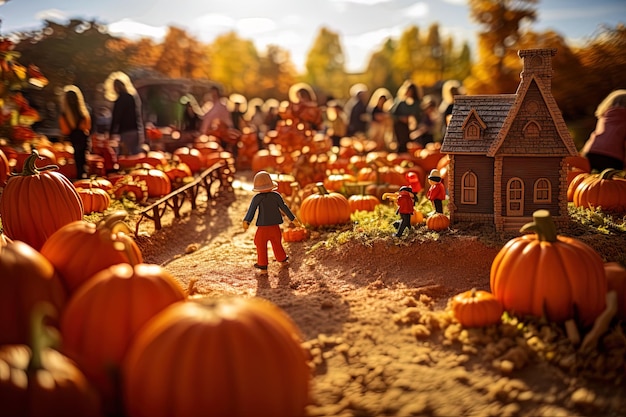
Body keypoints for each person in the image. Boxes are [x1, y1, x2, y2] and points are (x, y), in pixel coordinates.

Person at [243, 171, 300, 272]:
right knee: (276, 243)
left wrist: (247, 221)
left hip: (263, 227)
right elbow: (284, 207)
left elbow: (252, 210)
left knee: (260, 243)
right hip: (275, 226)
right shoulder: (276, 196)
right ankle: (283, 260)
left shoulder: (257, 198)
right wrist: (293, 218)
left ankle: (263, 265)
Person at [581, 89, 626, 172]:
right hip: (614, 157)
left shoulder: (604, 115)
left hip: (592, 151)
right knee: (611, 182)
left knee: (586, 179)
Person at [106, 72, 145, 156]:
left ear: (116, 87)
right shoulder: (132, 98)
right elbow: (138, 115)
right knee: (135, 153)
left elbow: (116, 118)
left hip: (125, 131)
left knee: (125, 154)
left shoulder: (119, 100)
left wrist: (111, 133)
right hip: (135, 130)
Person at [58, 85, 91, 180]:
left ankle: (79, 176)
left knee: (77, 158)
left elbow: (65, 131)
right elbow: (87, 126)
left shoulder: (64, 115)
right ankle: (83, 175)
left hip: (73, 137)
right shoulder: (83, 113)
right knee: (83, 158)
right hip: (83, 136)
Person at [391, 81, 422, 153]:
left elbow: (418, 115)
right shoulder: (400, 102)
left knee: (413, 144)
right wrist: (401, 118)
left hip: (413, 128)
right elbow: (393, 114)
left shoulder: (416, 104)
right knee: (402, 144)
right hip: (401, 127)